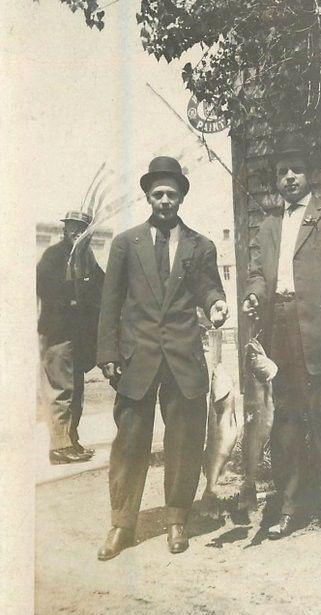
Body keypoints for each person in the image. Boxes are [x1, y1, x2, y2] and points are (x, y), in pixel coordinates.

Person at [97, 156, 228, 559]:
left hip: (183, 357)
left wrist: (217, 303)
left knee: (185, 441)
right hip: (137, 359)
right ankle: (122, 524)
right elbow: (111, 301)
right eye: (158, 194)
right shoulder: (125, 244)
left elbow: (209, 287)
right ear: (148, 197)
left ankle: (176, 520)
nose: (165, 200)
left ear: (181, 198)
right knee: (130, 442)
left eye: (172, 194)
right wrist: (107, 353)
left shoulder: (200, 245)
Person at [243, 134, 321, 545]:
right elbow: (259, 274)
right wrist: (253, 297)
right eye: (282, 172)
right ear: (275, 181)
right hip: (280, 329)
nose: (289, 177)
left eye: (295, 169)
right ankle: (290, 507)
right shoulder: (268, 226)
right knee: (287, 423)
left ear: (309, 175)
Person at [37, 211, 104, 464]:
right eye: (73, 228)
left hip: (78, 336)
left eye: (82, 229)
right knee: (61, 390)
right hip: (58, 334)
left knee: (76, 390)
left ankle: (70, 441)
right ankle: (59, 446)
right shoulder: (54, 255)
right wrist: (74, 300)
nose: (77, 233)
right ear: (65, 230)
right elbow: (44, 287)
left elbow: (102, 285)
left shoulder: (87, 258)